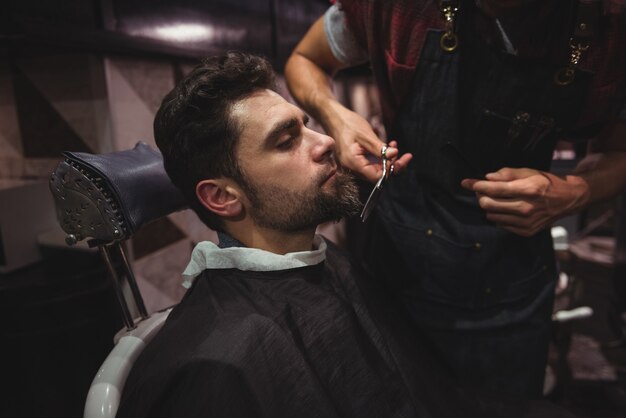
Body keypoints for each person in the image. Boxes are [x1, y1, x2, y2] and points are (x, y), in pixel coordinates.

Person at [115, 51, 571, 418]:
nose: (326, 141)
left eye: (306, 124)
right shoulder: (214, 368)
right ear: (222, 198)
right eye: (285, 140)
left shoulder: (324, 258)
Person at [284, 0, 626, 399]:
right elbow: (305, 58)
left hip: (511, 287)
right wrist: (335, 116)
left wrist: (576, 191)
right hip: (398, 266)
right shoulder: (394, 8)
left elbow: (618, 150)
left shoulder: (607, 25)